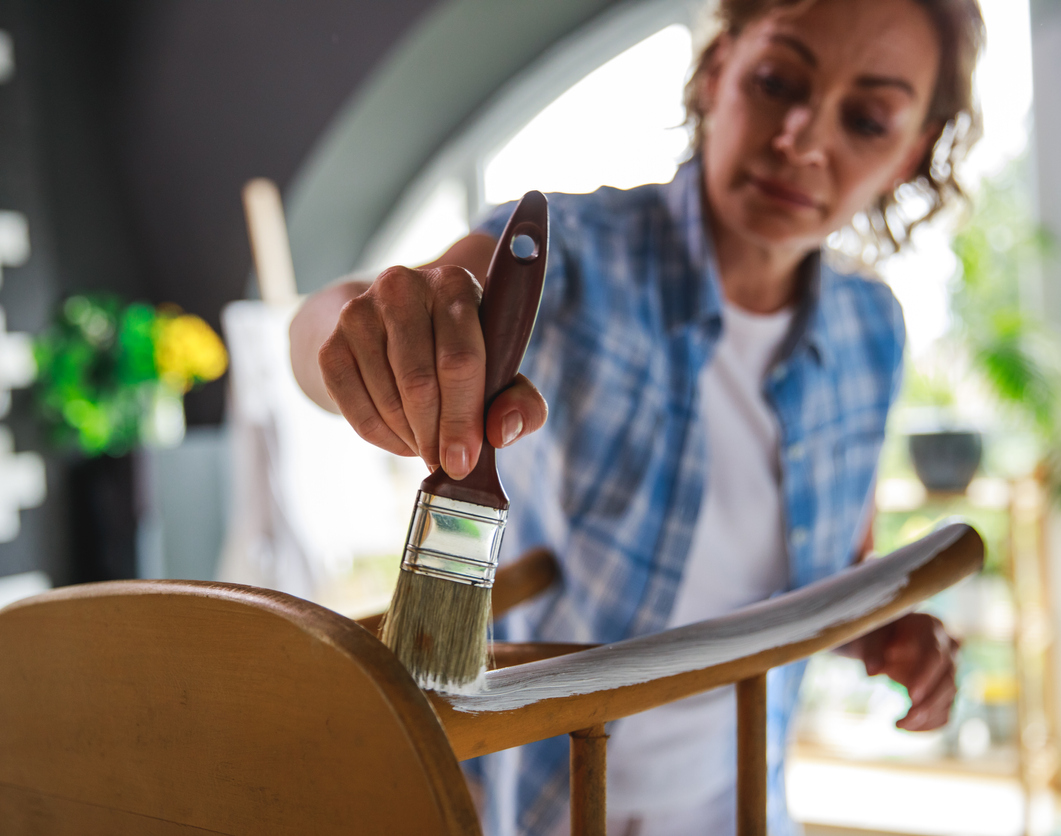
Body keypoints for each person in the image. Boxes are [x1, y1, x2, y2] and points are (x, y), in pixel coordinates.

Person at [290, 0, 985, 832]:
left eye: (868, 119)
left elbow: (826, 571)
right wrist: (356, 333)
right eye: (774, 81)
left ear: (912, 151)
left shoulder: (872, 331)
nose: (802, 139)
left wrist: (879, 635)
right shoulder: (571, 255)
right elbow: (347, 320)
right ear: (719, 67)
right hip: (547, 808)